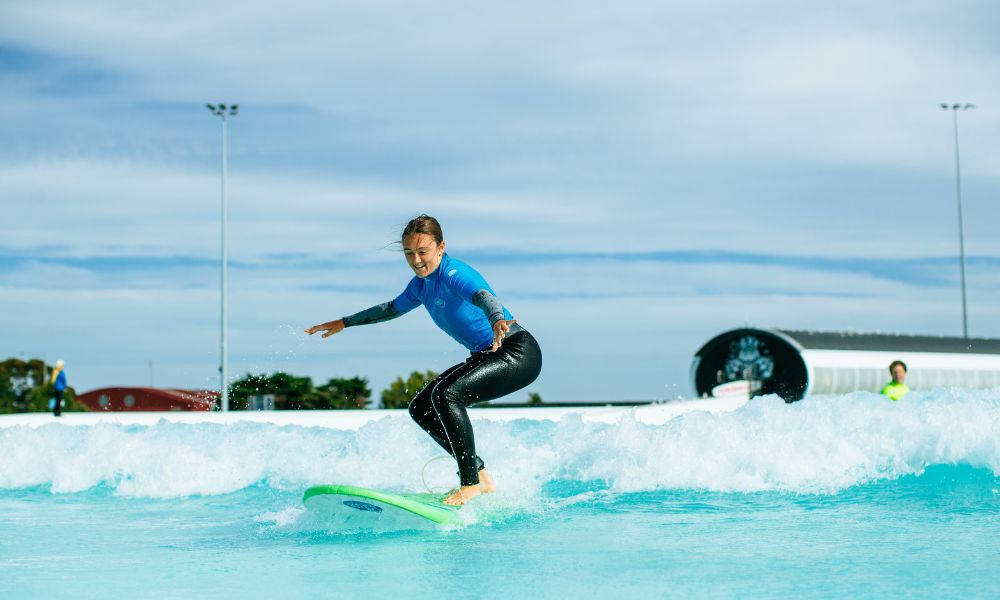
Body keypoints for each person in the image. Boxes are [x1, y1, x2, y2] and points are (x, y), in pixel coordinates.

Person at [305, 215, 542, 506]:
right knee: (421, 407)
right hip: (486, 354)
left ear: (440, 248)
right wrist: (345, 322)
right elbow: (391, 309)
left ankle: (470, 483)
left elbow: (485, 297)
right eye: (409, 254)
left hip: (516, 351)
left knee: (446, 395)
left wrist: (496, 321)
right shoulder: (420, 286)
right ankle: (480, 475)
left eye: (422, 252)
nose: (416, 260)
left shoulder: (454, 273)